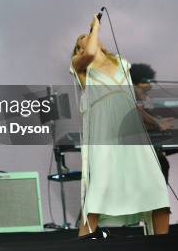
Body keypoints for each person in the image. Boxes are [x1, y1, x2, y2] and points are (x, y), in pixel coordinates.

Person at [70, 15, 170, 237]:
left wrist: (156, 122)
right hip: (105, 131)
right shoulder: (81, 65)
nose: (92, 38)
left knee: (154, 184)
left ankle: (164, 243)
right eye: (85, 38)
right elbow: (89, 53)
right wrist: (94, 27)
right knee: (101, 186)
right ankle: (83, 241)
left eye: (92, 36)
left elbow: (131, 104)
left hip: (130, 131)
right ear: (79, 48)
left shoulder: (121, 63)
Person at [130, 63, 173, 183]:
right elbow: (137, 112)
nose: (151, 84)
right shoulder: (130, 95)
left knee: (162, 165)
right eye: (147, 81)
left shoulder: (147, 98)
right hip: (140, 156)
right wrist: (157, 122)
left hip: (155, 154)